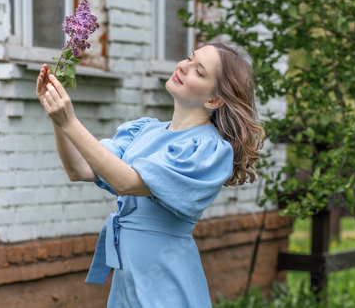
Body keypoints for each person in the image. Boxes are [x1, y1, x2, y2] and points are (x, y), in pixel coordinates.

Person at [36, 43, 265, 307]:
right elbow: (80, 169)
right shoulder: (143, 132)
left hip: (166, 284)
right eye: (189, 58)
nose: (182, 66)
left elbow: (127, 182)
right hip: (128, 281)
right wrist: (56, 115)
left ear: (213, 100)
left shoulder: (207, 149)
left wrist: (70, 122)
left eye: (198, 71)